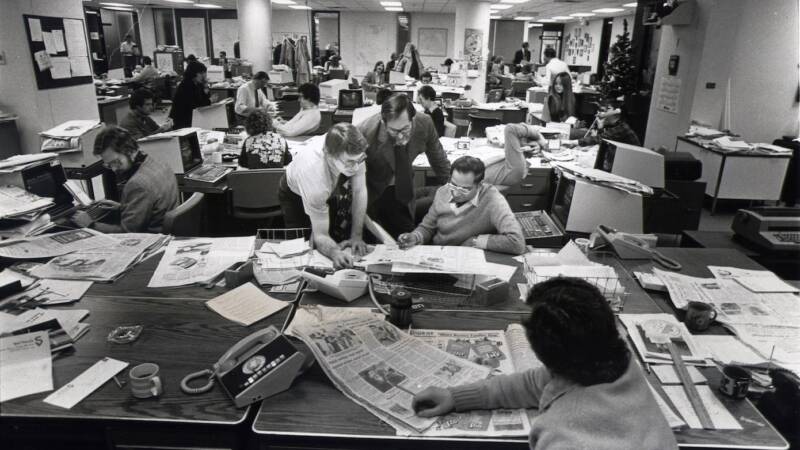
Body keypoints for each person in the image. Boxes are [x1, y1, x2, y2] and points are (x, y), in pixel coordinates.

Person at [412, 277, 678, 450]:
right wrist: (455, 396)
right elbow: (532, 383)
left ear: (543, 355)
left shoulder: (563, 436)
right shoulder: (617, 361)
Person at [357, 94, 450, 237]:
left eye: (405, 129)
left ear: (413, 119)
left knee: (406, 237)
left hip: (403, 186)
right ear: (383, 122)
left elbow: (439, 160)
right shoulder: (365, 132)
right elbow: (350, 177)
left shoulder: (424, 123)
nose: (400, 136)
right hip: (371, 191)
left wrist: (453, 189)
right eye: (394, 131)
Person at [278, 123, 368, 268]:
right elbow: (321, 235)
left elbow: (359, 191)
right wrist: (335, 253)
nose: (356, 168)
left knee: (329, 235)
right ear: (329, 155)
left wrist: (356, 236)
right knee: (300, 249)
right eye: (350, 162)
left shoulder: (351, 151)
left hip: (329, 181)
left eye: (360, 160)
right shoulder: (315, 178)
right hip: (294, 192)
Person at [398, 156, 525, 255]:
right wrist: (415, 237)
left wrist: (475, 241)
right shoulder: (443, 191)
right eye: (453, 184)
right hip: (438, 253)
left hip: (467, 258)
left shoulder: (493, 199)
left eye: (464, 189)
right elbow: (427, 227)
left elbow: (516, 242)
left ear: (479, 185)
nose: (455, 193)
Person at [72, 126, 179, 233]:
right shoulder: (158, 162)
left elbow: (127, 232)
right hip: (169, 231)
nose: (114, 169)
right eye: (109, 165)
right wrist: (123, 207)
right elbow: (152, 205)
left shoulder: (137, 184)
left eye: (116, 162)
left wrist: (90, 224)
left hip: (152, 239)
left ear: (130, 151)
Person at [563, 102, 641, 147]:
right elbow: (603, 141)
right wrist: (600, 127)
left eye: (608, 109)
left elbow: (600, 138)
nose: (603, 112)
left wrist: (573, 142)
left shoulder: (622, 128)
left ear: (617, 112)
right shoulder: (615, 125)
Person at [169, 61, 211, 129]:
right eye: (201, 73)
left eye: (204, 73)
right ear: (193, 73)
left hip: (192, 117)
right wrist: (209, 101)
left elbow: (204, 99)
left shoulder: (197, 84)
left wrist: (205, 86)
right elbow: (195, 105)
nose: (203, 76)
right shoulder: (186, 85)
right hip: (182, 120)